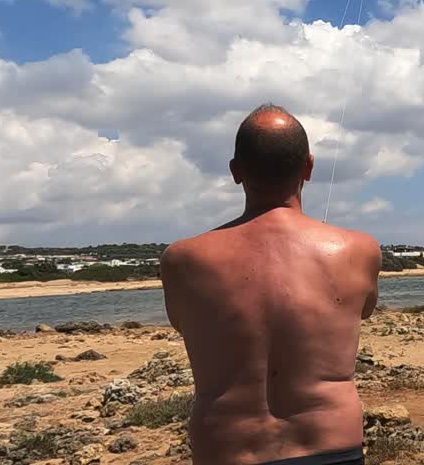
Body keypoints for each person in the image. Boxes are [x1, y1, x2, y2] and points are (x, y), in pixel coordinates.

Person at [160, 103, 382, 465]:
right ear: (308, 167)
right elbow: (365, 309)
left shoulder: (182, 260)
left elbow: (183, 322)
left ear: (236, 171)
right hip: (331, 445)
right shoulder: (359, 250)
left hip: (228, 449)